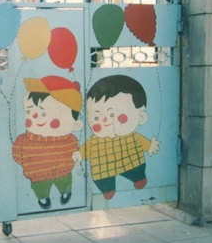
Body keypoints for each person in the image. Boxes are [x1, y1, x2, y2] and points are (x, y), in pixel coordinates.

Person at [73, 75, 160, 200]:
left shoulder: (131, 137)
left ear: (141, 117)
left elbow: (141, 141)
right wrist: (80, 154)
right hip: (104, 167)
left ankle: (138, 178)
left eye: (112, 114)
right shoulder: (94, 141)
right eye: (96, 117)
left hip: (130, 161)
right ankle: (108, 189)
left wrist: (150, 146)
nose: (106, 120)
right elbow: (88, 148)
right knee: (103, 177)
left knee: (135, 167)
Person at [12, 75, 84, 210]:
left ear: (75, 124)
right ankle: (43, 198)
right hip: (37, 174)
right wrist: (28, 163)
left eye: (44, 114)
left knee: (64, 183)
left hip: (63, 170)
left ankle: (65, 192)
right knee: (40, 188)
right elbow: (18, 154)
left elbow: (73, 152)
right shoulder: (24, 140)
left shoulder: (70, 140)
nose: (36, 118)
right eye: (29, 112)